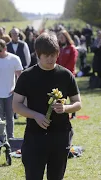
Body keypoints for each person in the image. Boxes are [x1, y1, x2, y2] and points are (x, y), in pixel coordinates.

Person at [12, 32, 82, 180]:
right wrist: (35, 115)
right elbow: (16, 105)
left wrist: (65, 108)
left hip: (61, 134)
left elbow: (78, 103)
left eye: (54, 55)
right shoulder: (27, 76)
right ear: (38, 54)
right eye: (46, 55)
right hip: (35, 136)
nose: (51, 59)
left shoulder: (66, 75)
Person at [0, 39, 23, 140]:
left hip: (10, 93)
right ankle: (1, 139)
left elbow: (20, 75)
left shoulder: (14, 58)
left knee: (10, 117)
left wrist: (16, 88)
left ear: (5, 48)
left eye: (0, 50)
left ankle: (10, 137)